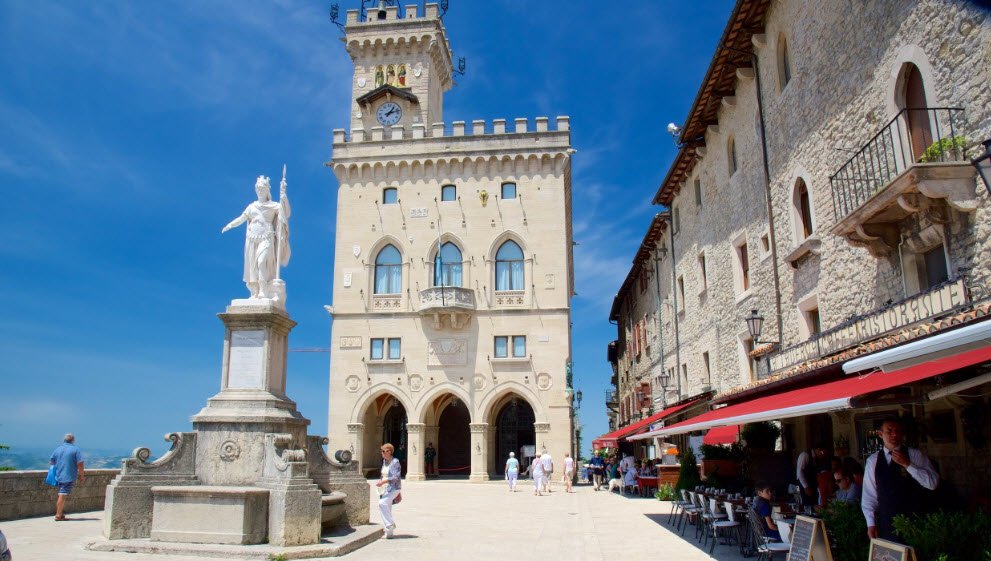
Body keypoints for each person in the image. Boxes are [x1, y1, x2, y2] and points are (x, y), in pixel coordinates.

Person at [862, 417, 939, 541]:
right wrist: (870, 523)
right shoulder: (873, 461)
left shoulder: (915, 455)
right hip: (887, 524)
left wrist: (908, 465)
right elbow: (869, 495)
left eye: (898, 431)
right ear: (880, 434)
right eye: (889, 431)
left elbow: (932, 483)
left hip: (915, 522)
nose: (894, 434)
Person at [221, 174, 291, 300]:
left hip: (266, 237)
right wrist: (230, 225)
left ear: (267, 190)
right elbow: (242, 218)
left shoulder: (274, 205)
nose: (259, 191)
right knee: (253, 266)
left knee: (261, 262)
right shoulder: (252, 206)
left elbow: (285, 212)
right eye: (258, 189)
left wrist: (284, 196)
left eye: (262, 189)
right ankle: (255, 292)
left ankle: (263, 291)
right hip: (252, 238)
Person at [50, 433, 85, 521]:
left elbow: (52, 462)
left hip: (59, 475)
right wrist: (82, 475)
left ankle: (60, 514)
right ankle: (58, 515)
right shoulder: (75, 449)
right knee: (63, 494)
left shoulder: (57, 449)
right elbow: (80, 463)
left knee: (62, 493)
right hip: (68, 475)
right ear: (72, 440)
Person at [375, 443, 402, 539]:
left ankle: (390, 524)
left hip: (393, 488)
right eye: (381, 451)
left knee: (382, 503)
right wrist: (380, 480)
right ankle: (389, 533)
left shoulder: (395, 462)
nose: (381, 453)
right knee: (388, 507)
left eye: (383, 451)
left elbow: (396, 477)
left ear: (389, 452)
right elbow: (383, 474)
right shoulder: (384, 461)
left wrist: (384, 481)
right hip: (384, 488)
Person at [795, 444, 827, 508]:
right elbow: (800, 472)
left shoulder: (817, 459)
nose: (823, 455)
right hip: (805, 485)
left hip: (813, 485)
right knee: (807, 504)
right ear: (818, 449)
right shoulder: (805, 455)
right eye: (822, 452)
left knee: (815, 504)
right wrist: (806, 487)